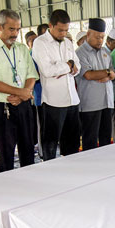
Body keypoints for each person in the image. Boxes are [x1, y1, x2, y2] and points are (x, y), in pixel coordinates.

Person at [0, 9, 37, 171]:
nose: (15, 33)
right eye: (12, 29)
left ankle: (31, 185)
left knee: (28, 150)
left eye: (18, 29)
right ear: (0, 26)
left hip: (24, 106)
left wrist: (24, 94)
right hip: (3, 109)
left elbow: (32, 75)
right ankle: (6, 190)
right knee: (4, 154)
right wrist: (22, 93)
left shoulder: (22, 49)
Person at [31, 9, 82, 160]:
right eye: (60, 30)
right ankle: (50, 172)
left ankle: (71, 171)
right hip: (54, 101)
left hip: (72, 99)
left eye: (66, 30)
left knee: (72, 142)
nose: (63, 34)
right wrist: (68, 66)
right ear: (50, 26)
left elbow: (77, 67)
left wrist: (65, 67)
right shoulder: (40, 43)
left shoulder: (67, 42)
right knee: (51, 143)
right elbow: (47, 70)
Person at [75, 18, 114, 151]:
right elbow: (88, 75)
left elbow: (113, 73)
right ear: (88, 35)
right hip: (90, 105)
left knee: (106, 138)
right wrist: (107, 73)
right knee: (90, 140)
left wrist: (108, 74)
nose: (100, 41)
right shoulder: (80, 53)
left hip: (107, 102)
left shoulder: (105, 52)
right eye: (97, 37)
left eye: (102, 37)